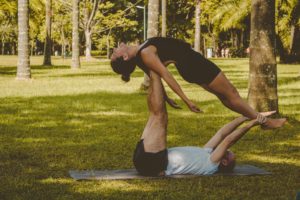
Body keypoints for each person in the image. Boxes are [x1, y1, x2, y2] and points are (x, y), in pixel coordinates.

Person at [110, 37, 286, 129]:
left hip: (190, 66)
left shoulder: (142, 54)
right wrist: (186, 100)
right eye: (115, 52)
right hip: (194, 64)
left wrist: (167, 98)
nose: (116, 48)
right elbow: (165, 75)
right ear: (124, 56)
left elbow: (156, 77)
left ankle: (256, 117)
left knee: (225, 97)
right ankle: (264, 122)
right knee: (231, 93)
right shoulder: (145, 53)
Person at [133, 70, 279, 176]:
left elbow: (228, 140)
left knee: (160, 116)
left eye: (226, 154)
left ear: (224, 162)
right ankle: (153, 69)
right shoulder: (206, 153)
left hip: (153, 162)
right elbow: (222, 133)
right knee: (156, 115)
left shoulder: (211, 164)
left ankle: (154, 68)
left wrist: (252, 124)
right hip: (150, 158)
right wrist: (248, 116)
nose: (225, 150)